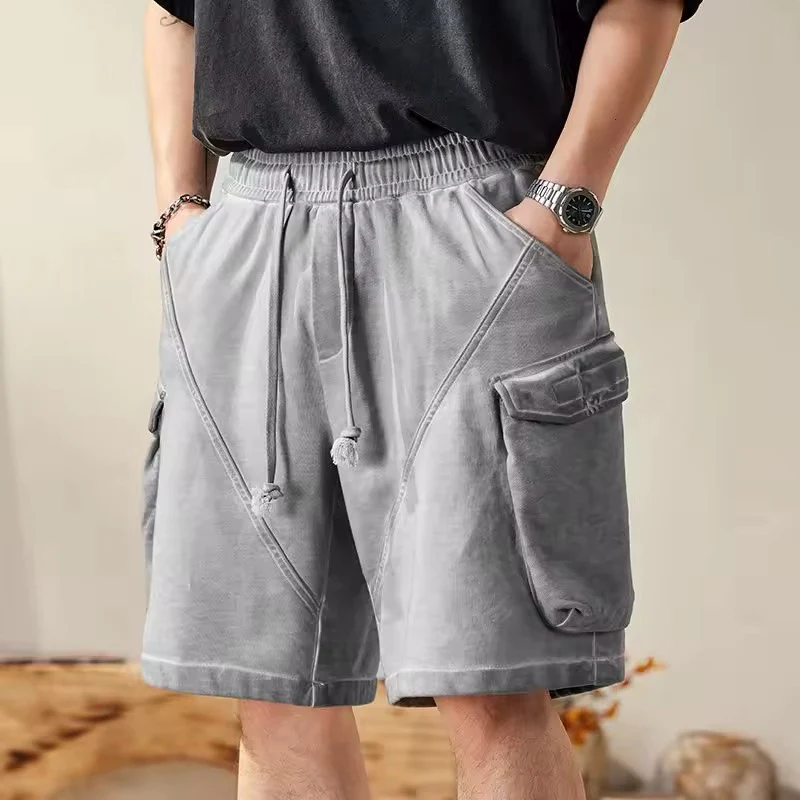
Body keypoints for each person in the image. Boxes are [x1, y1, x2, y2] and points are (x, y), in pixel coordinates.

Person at [141, 0, 700, 797]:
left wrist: (566, 202)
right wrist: (179, 210)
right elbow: (172, 10)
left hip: (471, 218)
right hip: (252, 228)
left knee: (491, 683)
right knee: (273, 693)